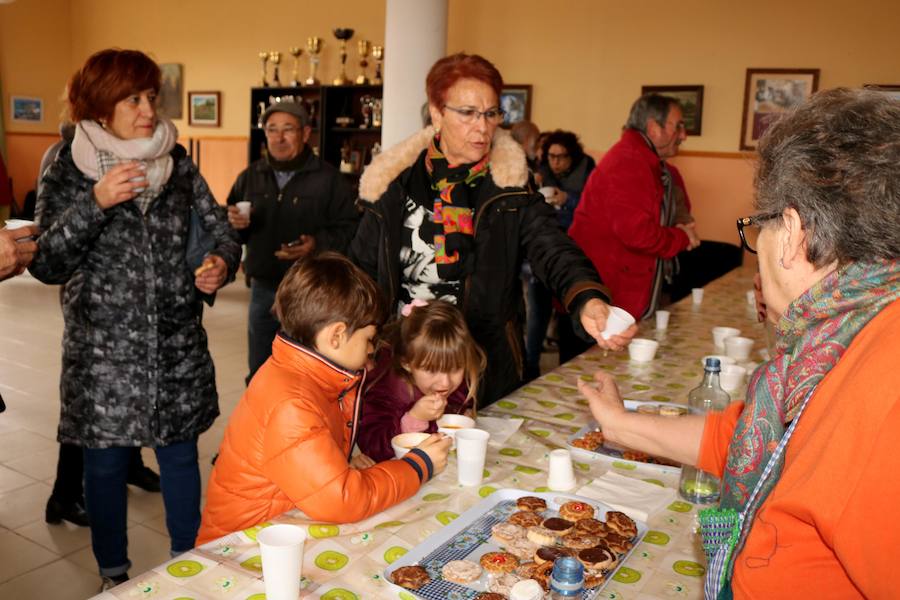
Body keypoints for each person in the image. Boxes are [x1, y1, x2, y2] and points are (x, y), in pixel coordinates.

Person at [580, 88, 900, 598]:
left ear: (791, 232)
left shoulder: (883, 383)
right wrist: (619, 424)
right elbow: (755, 442)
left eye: (758, 226)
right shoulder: (841, 335)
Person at [28, 49, 241, 590]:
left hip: (175, 350)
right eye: (133, 99)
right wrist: (95, 203)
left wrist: (219, 263)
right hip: (103, 360)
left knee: (180, 459)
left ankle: (189, 566)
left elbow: (222, 231)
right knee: (103, 469)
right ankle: (113, 577)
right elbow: (46, 262)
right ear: (101, 107)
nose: (148, 110)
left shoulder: (178, 162)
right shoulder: (67, 165)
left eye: (151, 97)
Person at [349, 53, 635, 407]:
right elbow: (360, 273)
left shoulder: (509, 185)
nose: (482, 127)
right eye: (468, 113)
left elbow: (551, 247)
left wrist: (586, 297)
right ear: (437, 113)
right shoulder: (394, 183)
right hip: (404, 366)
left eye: (490, 113)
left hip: (483, 364)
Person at [197, 253, 451, 544]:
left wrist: (339, 465)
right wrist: (418, 466)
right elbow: (343, 500)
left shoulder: (303, 372)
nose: (372, 350)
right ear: (337, 335)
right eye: (369, 338)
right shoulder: (291, 404)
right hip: (239, 546)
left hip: (275, 529)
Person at [34, 123, 162, 530]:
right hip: (90, 299)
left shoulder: (139, 151)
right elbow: (50, 243)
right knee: (87, 408)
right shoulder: (66, 158)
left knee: (129, 395)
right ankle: (64, 495)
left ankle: (131, 465)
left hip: (131, 306)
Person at [226, 101, 358, 383]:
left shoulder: (329, 179)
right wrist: (234, 224)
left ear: (306, 133)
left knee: (307, 372)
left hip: (312, 290)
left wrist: (316, 245)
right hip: (263, 288)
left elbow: (350, 229)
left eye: (287, 129)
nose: (279, 138)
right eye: (272, 130)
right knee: (260, 370)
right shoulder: (250, 177)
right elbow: (229, 230)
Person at [569, 94, 700, 326]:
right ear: (653, 128)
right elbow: (638, 234)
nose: (684, 135)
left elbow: (679, 214)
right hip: (607, 297)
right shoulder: (628, 162)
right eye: (678, 126)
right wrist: (681, 237)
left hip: (624, 295)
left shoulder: (656, 166)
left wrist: (682, 226)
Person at [357, 299, 486, 462]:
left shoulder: (456, 382)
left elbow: (460, 403)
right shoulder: (387, 389)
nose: (445, 383)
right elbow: (372, 448)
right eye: (431, 370)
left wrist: (463, 413)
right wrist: (414, 420)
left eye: (456, 368)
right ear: (407, 363)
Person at [531, 130, 597, 368]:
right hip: (543, 250)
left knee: (570, 312)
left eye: (561, 156)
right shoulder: (541, 172)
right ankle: (531, 363)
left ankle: (570, 363)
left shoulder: (588, 173)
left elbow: (594, 208)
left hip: (576, 251)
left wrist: (568, 199)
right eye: (551, 156)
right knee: (537, 311)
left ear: (572, 157)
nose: (555, 162)